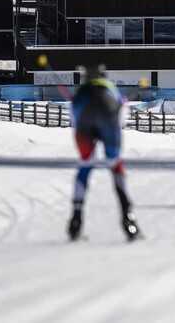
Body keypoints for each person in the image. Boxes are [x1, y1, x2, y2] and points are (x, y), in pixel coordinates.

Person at [68, 65, 139, 241]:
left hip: (84, 122)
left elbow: (74, 117)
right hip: (109, 118)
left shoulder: (81, 91)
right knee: (114, 164)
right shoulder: (111, 88)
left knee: (85, 164)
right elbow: (122, 116)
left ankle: (76, 218)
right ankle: (127, 215)